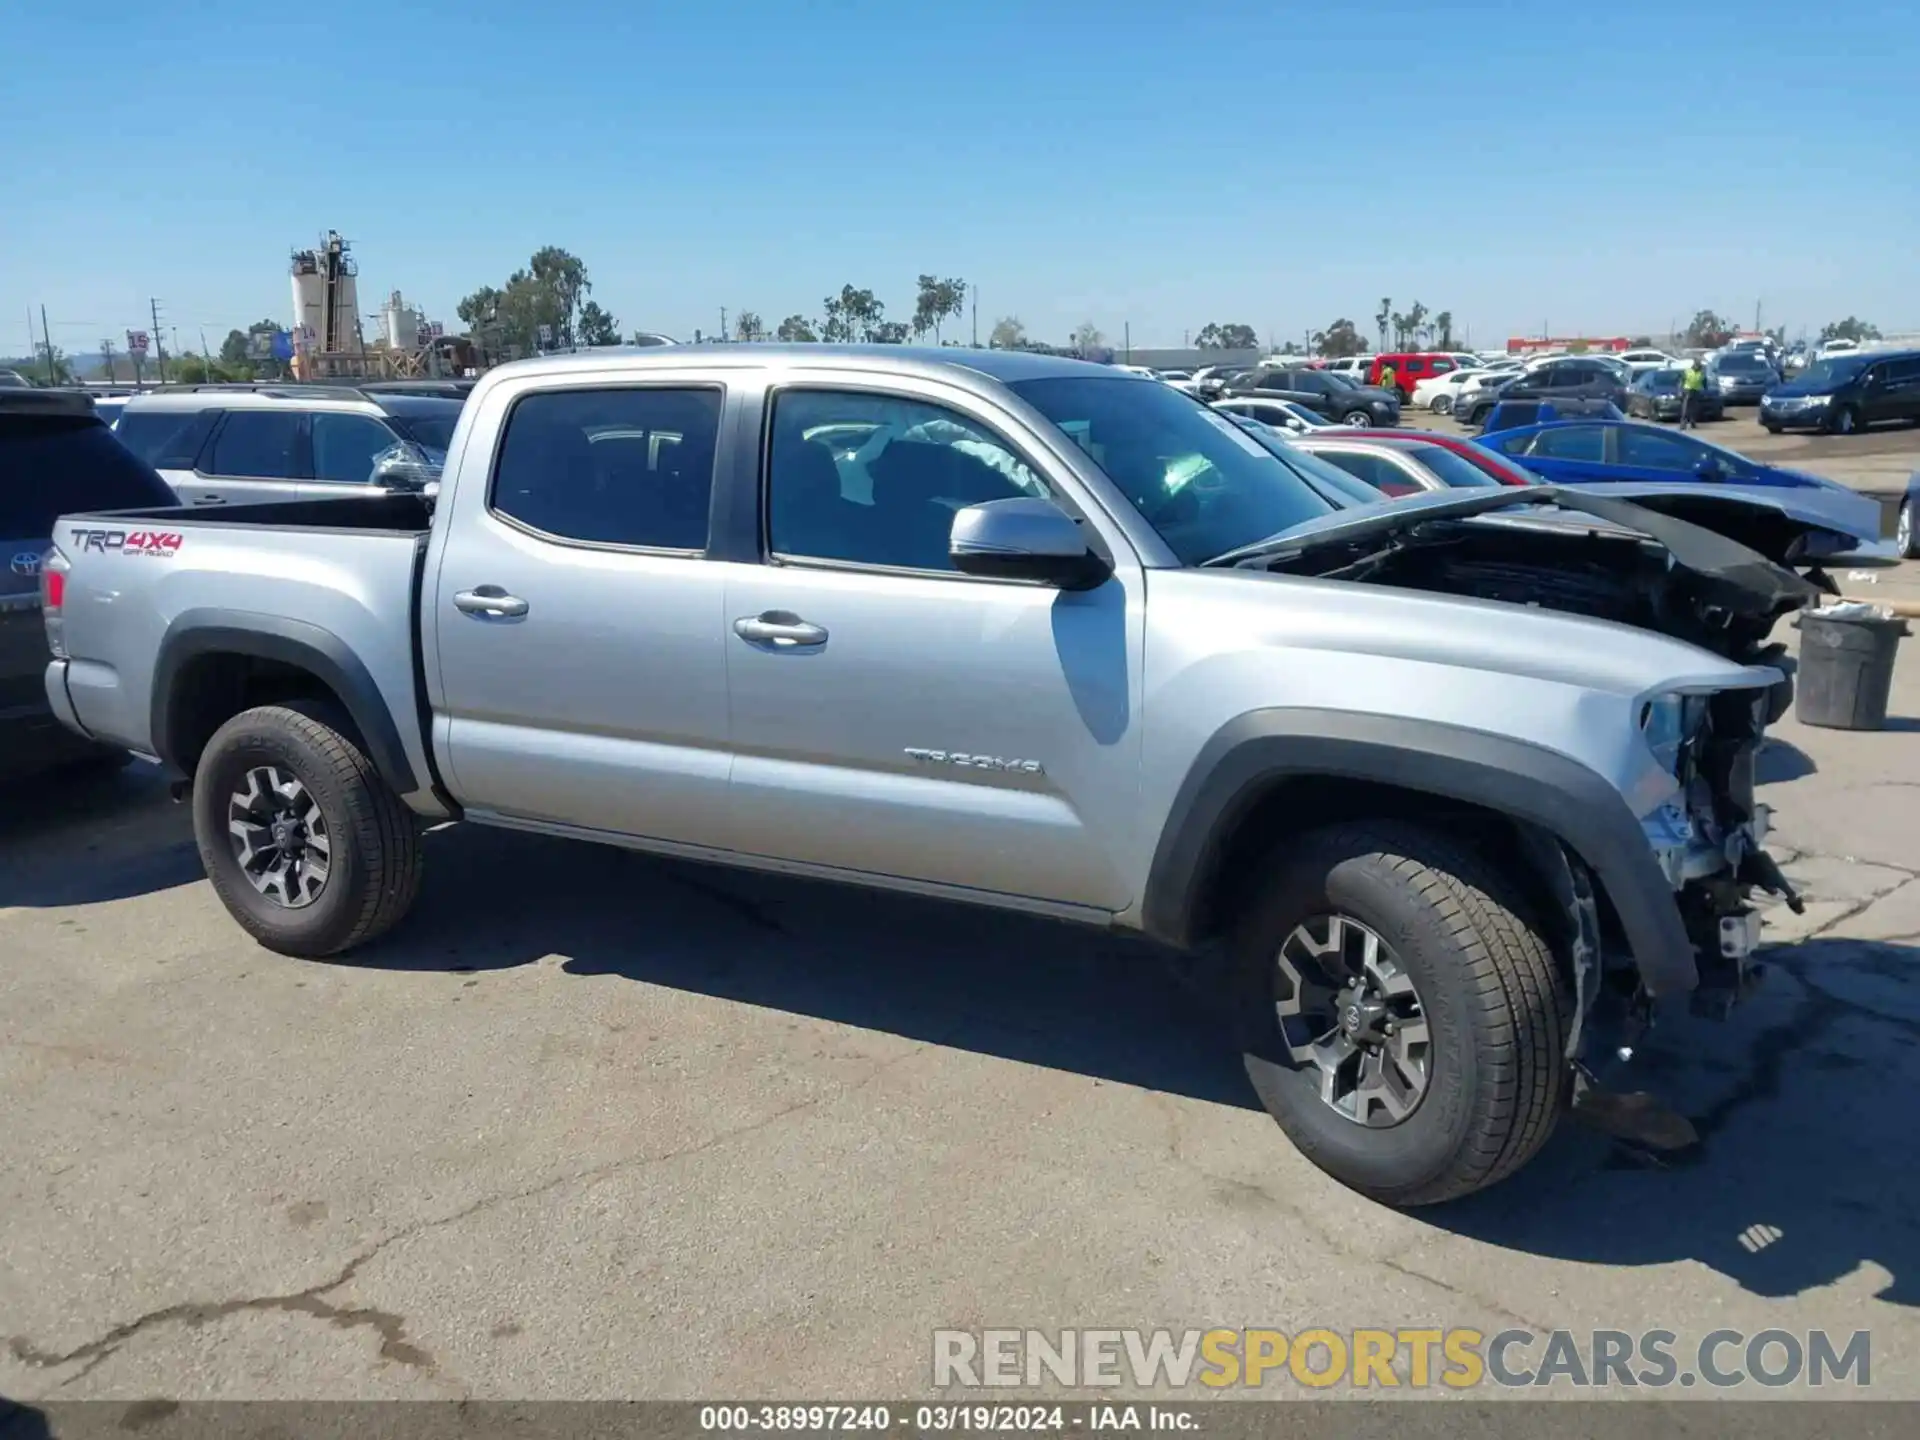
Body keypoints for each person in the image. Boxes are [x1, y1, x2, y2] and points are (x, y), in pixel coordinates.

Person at [1679, 358, 1707, 429]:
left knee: (1694, 408)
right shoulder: (1687, 371)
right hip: (1687, 390)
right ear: (1694, 365)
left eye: (1699, 365)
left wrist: (1705, 390)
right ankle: (1683, 424)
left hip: (1696, 391)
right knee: (1685, 408)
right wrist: (1680, 390)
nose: (1699, 366)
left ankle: (1693, 422)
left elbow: (1704, 382)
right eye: (1697, 365)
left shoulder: (1701, 373)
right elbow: (1682, 381)